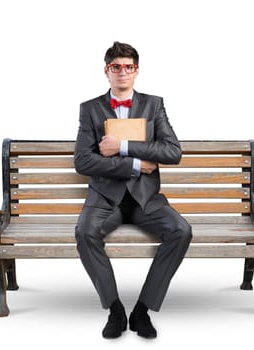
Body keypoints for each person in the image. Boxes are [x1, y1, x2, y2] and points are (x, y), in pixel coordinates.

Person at [74, 41, 192, 339]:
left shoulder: (154, 104)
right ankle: (115, 308)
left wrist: (122, 146)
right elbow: (83, 160)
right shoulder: (90, 109)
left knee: (181, 230)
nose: (122, 72)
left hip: (145, 200)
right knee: (84, 232)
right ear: (107, 71)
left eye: (128, 67)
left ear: (136, 71)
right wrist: (137, 165)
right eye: (116, 67)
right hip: (105, 199)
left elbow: (172, 151)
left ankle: (142, 310)